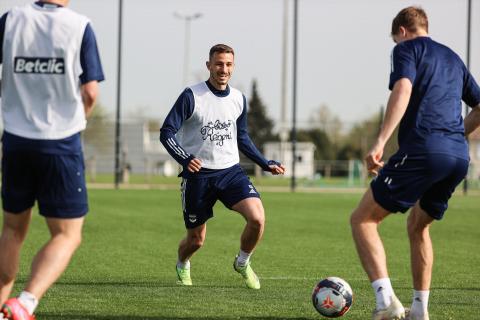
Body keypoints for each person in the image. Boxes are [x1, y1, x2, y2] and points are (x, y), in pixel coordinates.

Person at [349, 6, 480, 320]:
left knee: (363, 220)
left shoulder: (406, 49)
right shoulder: (452, 57)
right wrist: (454, 136)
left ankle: (386, 303)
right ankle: (419, 310)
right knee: (418, 226)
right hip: (458, 157)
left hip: (422, 149)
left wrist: (380, 142)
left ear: (402, 31)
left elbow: (403, 87)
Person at [0, 1, 104, 319]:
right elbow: (90, 92)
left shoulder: (11, 19)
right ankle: (25, 302)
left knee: (13, 230)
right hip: (60, 142)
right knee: (67, 234)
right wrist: (78, 122)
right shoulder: (79, 25)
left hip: (16, 139)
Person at [160, 44, 285, 290]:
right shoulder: (191, 96)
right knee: (196, 240)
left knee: (257, 218)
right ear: (208, 65)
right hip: (198, 176)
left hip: (230, 172)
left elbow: (243, 138)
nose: (223, 69)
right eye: (218, 64)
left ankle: (242, 262)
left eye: (228, 64)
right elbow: (167, 132)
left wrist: (265, 163)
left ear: (233, 67)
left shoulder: (238, 99)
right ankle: (182, 263)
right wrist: (185, 158)